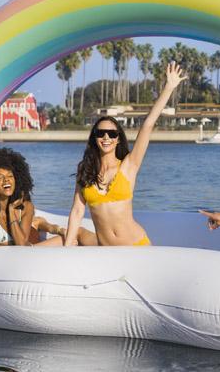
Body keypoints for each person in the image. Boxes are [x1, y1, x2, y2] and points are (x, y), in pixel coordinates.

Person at [63, 62, 187, 247]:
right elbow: (77, 212)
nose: (106, 137)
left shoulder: (129, 165)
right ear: (94, 137)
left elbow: (147, 125)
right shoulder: (85, 170)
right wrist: (66, 249)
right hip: (108, 252)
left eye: (112, 134)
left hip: (137, 247)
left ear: (118, 139)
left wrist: (169, 87)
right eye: (101, 133)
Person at [0, 142, 93, 248]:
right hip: (18, 254)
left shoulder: (26, 207)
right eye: (0, 178)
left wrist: (11, 211)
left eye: (10, 176)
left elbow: (21, 245)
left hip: (31, 251)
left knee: (78, 232)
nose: (6, 180)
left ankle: (110, 247)